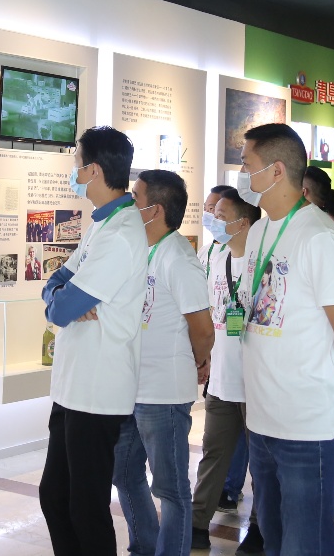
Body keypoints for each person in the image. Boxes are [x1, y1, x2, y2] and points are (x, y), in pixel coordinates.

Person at [237, 123, 334, 556]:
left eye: (247, 164)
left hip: (308, 424)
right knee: (274, 538)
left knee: (305, 543)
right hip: (262, 418)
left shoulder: (321, 238)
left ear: (276, 171)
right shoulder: (260, 231)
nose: (242, 173)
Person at [39, 127, 148, 556]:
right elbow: (56, 282)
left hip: (98, 390)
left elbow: (61, 309)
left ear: (95, 170)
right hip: (73, 387)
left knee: (86, 507)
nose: (74, 174)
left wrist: (62, 300)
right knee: (55, 496)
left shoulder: (121, 234)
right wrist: (60, 296)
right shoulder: (102, 224)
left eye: (77, 165)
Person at [113, 170, 213, 556]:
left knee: (171, 489)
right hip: (130, 387)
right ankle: (145, 546)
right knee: (123, 473)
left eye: (135, 197)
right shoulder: (141, 248)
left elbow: (202, 328)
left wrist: (197, 361)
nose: (128, 202)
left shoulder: (179, 257)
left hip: (164, 392)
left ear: (155, 209)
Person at [190, 189, 263, 552]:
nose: (213, 220)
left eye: (221, 215)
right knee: (213, 453)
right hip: (221, 377)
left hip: (257, 381)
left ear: (243, 222)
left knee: (262, 461)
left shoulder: (264, 262)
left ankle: (260, 527)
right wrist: (203, 357)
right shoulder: (215, 257)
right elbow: (207, 312)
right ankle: (197, 523)